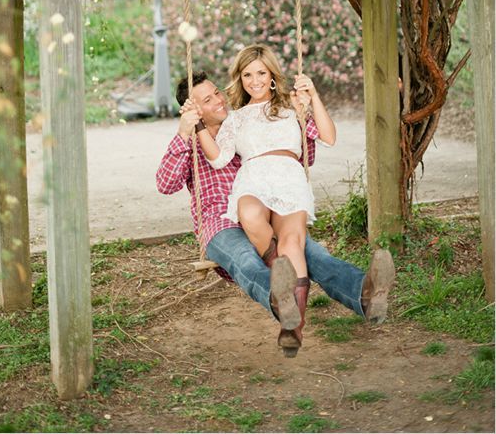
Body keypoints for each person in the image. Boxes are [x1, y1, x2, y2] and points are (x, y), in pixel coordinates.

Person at [156, 69, 395, 357]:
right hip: (222, 224)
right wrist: (184, 132)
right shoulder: (193, 143)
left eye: (217, 92)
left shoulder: (244, 124)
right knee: (246, 260)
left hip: (269, 213)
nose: (219, 100)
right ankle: (280, 300)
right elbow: (165, 184)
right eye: (207, 100)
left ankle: (364, 294)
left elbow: (305, 157)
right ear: (195, 111)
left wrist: (299, 120)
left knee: (312, 254)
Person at [190, 43, 336, 355]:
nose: (254, 81)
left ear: (271, 76)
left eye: (260, 73)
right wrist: (198, 124)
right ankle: (279, 274)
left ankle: (292, 329)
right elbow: (218, 158)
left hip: (288, 178)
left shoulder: (291, 108)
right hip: (254, 179)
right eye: (247, 75)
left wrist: (313, 97)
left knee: (292, 244)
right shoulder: (237, 118)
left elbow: (329, 137)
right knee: (249, 212)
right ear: (239, 78)